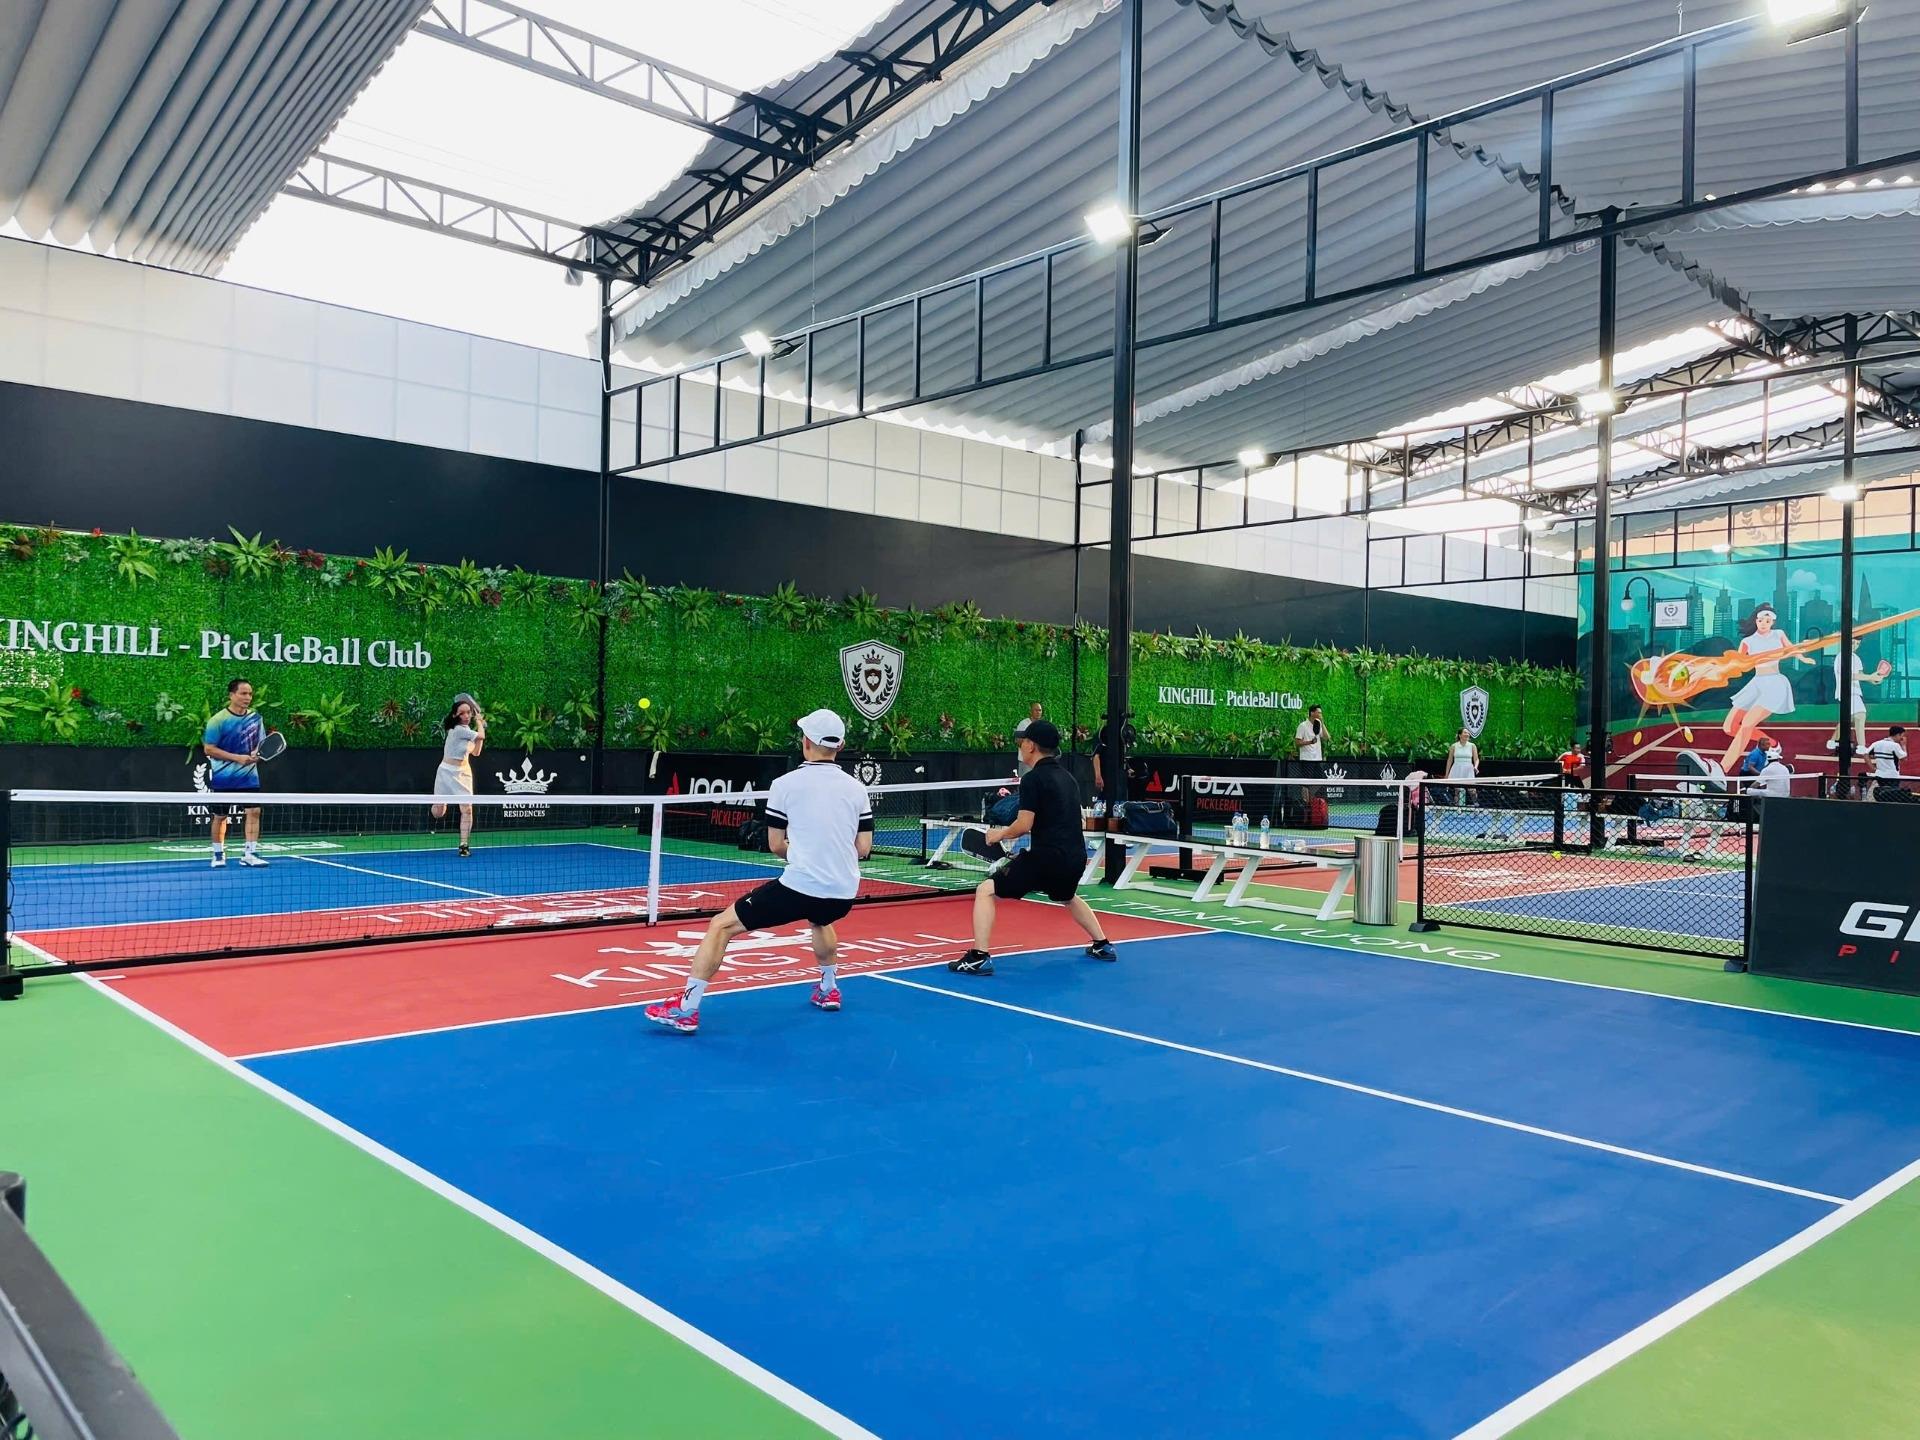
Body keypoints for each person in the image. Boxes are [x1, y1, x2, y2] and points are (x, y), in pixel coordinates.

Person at [645, 709, 870, 1034]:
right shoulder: (857, 789)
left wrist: (804, 854)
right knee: (821, 918)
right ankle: (828, 989)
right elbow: (863, 848)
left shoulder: (784, 785)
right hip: (843, 893)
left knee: (721, 925)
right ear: (841, 745)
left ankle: (686, 1009)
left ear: (806, 742)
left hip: (800, 888)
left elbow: (776, 844)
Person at [950, 720, 1116, 975]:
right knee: (1067, 896)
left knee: (985, 890)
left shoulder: (1032, 779)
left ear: (1031, 746)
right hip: (1074, 858)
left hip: (1046, 859)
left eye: (1023, 741)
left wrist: (997, 835)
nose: (1020, 745)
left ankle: (979, 957)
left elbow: (1023, 824)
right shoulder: (1068, 778)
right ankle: (1102, 944)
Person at [1718, 603, 1809, 773]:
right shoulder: (1747, 641)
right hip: (1756, 683)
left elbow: (1791, 649)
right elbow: (1738, 664)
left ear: (1773, 622)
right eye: (1760, 620)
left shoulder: (1778, 634)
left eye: (1767, 620)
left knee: (1747, 724)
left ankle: (1722, 770)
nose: (1763, 623)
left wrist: (1803, 657)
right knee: (1729, 727)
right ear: (1756, 620)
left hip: (1775, 684)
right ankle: (1773, 745)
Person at [202, 677, 268, 869]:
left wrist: (256, 754)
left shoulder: (256, 719)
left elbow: (261, 746)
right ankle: (218, 854)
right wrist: (237, 758)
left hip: (249, 777)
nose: (248, 697)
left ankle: (250, 854)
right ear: (232, 695)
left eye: (250, 694)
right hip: (224, 778)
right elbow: (209, 749)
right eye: (243, 693)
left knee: (254, 811)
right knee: (220, 816)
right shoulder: (218, 720)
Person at [430, 693, 487, 856]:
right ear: (455, 715)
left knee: (467, 809)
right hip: (446, 773)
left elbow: (476, 752)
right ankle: (436, 804)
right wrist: (480, 723)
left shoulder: (468, 731)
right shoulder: (456, 730)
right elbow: (481, 735)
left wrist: (479, 731)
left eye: (469, 712)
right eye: (462, 713)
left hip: (463, 773)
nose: (467, 715)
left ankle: (464, 845)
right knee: (439, 813)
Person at [1826, 636, 1890, 754]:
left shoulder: (1856, 658)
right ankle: (1861, 746)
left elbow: (1861, 675)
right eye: (1852, 643)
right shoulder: (1841, 657)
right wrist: (1870, 676)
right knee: (1860, 715)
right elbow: (1850, 675)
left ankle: (1832, 741)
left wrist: (1874, 680)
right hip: (1846, 691)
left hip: (1855, 692)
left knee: (1848, 718)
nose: (1855, 646)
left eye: (1857, 644)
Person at [1864, 724, 1908, 801]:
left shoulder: (1877, 743)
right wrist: (1904, 746)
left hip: (1879, 776)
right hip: (1892, 777)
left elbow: (1866, 754)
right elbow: (1904, 758)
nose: (1902, 738)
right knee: (1892, 797)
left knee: (1881, 795)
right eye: (1902, 736)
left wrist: (1872, 768)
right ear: (1898, 735)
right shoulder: (1895, 745)